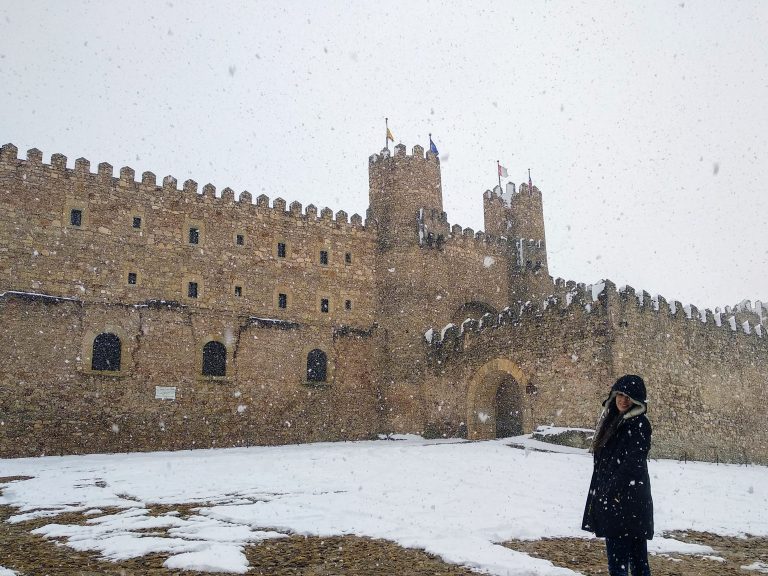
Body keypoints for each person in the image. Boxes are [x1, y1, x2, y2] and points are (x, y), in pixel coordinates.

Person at [582, 374, 654, 576]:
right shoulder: (614, 422)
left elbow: (633, 463)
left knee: (623, 565)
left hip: (624, 502)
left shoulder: (639, 425)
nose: (623, 400)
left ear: (637, 400)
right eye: (619, 395)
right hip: (624, 503)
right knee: (636, 564)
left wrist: (612, 492)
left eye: (628, 396)